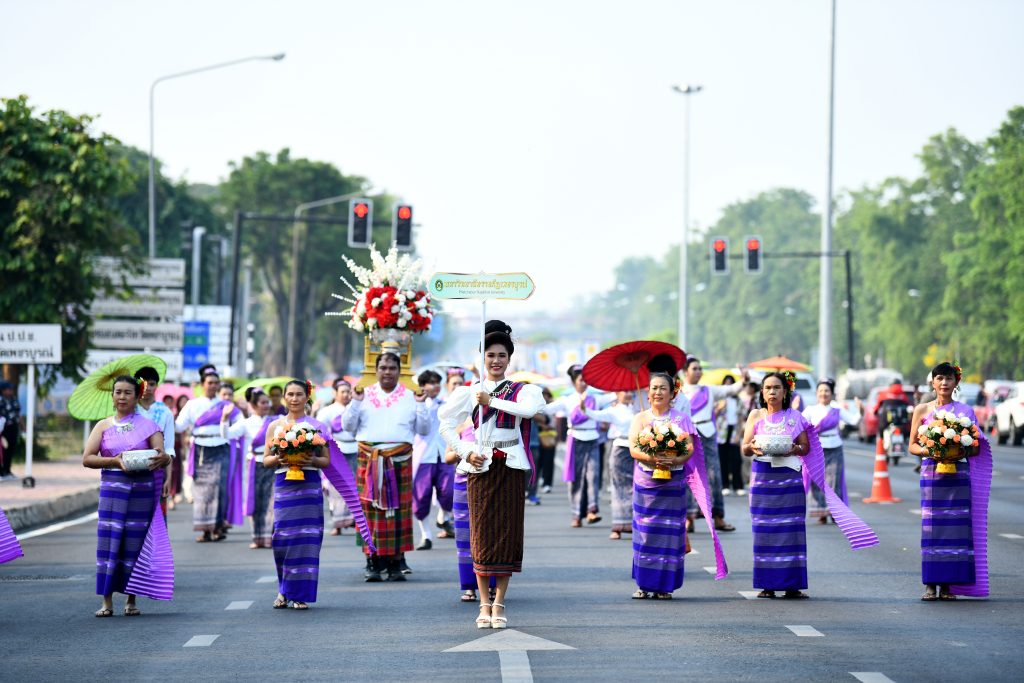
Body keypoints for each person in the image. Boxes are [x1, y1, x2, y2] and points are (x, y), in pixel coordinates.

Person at [438, 320, 544, 629]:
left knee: (506, 536)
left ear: (509, 359)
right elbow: (445, 423)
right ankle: (483, 603)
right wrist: (464, 449)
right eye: (490, 355)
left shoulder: (524, 390)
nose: (496, 361)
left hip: (510, 466)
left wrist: (493, 400)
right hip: (480, 466)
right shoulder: (469, 392)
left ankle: (500, 603)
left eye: (501, 355)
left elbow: (529, 411)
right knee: (481, 536)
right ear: (482, 359)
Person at [741, 372, 877, 599]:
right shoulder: (755, 415)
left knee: (791, 530)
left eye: (777, 388)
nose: (772, 392)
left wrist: (794, 449)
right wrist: (752, 447)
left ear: (785, 392)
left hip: (790, 479)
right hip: (763, 479)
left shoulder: (795, 417)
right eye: (767, 388)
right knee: (764, 530)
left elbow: (805, 447)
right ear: (762, 393)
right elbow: (745, 447)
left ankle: (792, 585)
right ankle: (767, 585)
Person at [628, 372, 728, 599]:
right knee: (645, 533)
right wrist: (652, 459)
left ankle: (665, 586)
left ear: (673, 392)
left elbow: (689, 449)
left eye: (663, 388)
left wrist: (674, 460)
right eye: (653, 388)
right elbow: (633, 449)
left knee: (671, 533)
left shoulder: (682, 419)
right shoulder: (640, 418)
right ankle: (644, 584)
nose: (657, 392)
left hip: (673, 483)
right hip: (646, 484)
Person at [82, 375, 172, 616]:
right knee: (109, 542)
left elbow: (162, 455)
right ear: (112, 396)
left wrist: (165, 459)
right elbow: (87, 458)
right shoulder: (102, 425)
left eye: (127, 392)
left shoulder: (149, 425)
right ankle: (106, 601)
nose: (122, 396)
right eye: (118, 392)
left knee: (135, 542)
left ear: (137, 396)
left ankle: (131, 600)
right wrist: (114, 461)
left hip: (141, 492)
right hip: (113, 491)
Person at [907, 362, 991, 601]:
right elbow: (912, 445)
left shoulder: (965, 411)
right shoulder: (921, 410)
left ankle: (948, 586)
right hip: (932, 475)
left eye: (949, 379)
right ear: (932, 382)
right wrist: (930, 451)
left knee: (955, 529)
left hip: (958, 476)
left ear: (957, 382)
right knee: (932, 529)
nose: (944, 383)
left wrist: (957, 451)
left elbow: (975, 449)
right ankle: (931, 585)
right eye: (940, 378)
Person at [343, 352, 430, 582]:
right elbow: (348, 426)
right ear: (376, 370)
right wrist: (355, 402)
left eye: (392, 368)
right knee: (368, 512)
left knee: (397, 512)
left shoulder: (412, 396)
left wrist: (421, 406)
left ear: (399, 371)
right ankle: (372, 560)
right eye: (383, 367)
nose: (387, 372)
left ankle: (394, 561)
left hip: (399, 458)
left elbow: (424, 430)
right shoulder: (363, 394)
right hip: (369, 458)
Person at [262, 380, 331, 610]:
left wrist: (311, 459)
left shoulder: (317, 425)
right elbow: (266, 460)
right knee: (282, 538)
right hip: (285, 485)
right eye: (290, 394)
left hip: (309, 485)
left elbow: (326, 460)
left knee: (308, 538)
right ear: (284, 397)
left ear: (307, 396)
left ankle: (299, 594)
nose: (294, 398)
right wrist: (279, 459)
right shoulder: (275, 426)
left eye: (299, 394)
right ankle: (284, 589)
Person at [174, 364, 242, 542]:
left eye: (216, 382)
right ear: (202, 384)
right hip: (200, 450)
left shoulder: (227, 406)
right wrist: (165, 419)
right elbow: (179, 426)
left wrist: (228, 423)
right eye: (210, 382)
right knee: (202, 490)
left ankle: (218, 527)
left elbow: (240, 425)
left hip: (221, 447)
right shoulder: (192, 404)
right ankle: (204, 529)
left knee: (220, 488)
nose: (213, 385)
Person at [681, 358, 741, 532]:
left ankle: (718, 517)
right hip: (687, 435)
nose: (699, 371)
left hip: (707, 435)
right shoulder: (679, 393)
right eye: (695, 368)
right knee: (689, 476)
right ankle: (689, 518)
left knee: (714, 475)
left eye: (700, 368)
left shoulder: (708, 390)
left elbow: (730, 389)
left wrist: (743, 379)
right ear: (686, 371)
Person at [544, 364, 607, 527]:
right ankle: (576, 514)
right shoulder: (567, 400)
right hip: (576, 439)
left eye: (586, 380)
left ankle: (592, 510)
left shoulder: (595, 399)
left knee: (593, 476)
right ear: (574, 382)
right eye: (581, 380)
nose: (584, 383)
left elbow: (614, 397)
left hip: (593, 438)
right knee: (576, 478)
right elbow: (547, 409)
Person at [223, 387, 276, 548]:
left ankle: (268, 537)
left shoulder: (276, 422)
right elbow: (227, 434)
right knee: (254, 500)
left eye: (268, 402)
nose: (266, 405)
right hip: (253, 465)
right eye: (263, 402)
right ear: (254, 404)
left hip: (272, 463)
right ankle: (256, 537)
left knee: (271, 501)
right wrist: (224, 418)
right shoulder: (245, 423)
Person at [802, 379, 861, 524]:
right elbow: (799, 425)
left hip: (835, 447)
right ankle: (821, 512)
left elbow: (853, 421)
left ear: (831, 394)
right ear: (817, 393)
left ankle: (835, 513)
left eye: (826, 391)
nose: (824, 393)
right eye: (821, 391)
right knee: (818, 482)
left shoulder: (837, 410)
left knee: (834, 481)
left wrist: (860, 411)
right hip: (816, 449)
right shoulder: (810, 410)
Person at [583, 391, 637, 539]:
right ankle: (618, 526)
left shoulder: (638, 408)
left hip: (638, 449)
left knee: (637, 488)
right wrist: (583, 406)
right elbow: (594, 415)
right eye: (624, 391)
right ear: (617, 394)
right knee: (619, 487)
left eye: (630, 391)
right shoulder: (614, 410)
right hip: (620, 448)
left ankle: (635, 524)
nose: (628, 394)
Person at [412, 370, 456, 550]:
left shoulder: (445, 404)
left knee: (448, 491)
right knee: (421, 497)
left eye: (438, 382)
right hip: (423, 456)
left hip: (443, 454)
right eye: (431, 383)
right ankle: (426, 535)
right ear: (422, 386)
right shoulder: (414, 405)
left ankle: (442, 516)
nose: (435, 386)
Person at [316, 379, 359, 535]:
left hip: (355, 448)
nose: (347, 395)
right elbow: (319, 431)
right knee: (335, 488)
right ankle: (338, 523)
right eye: (343, 392)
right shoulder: (327, 411)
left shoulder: (356, 409)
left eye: (349, 391)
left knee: (355, 486)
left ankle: (356, 520)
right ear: (335, 393)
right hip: (335, 450)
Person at [133, 367, 176, 508]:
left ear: (156, 386)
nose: (147, 387)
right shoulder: (129, 410)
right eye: (143, 383)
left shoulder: (166, 413)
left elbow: (169, 448)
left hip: (158, 469)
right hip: (132, 469)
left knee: (157, 517)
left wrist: (169, 478)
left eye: (151, 384)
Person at [716, 375, 744, 497]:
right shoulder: (718, 400)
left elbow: (742, 418)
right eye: (726, 383)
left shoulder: (738, 401)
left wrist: (739, 434)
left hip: (734, 431)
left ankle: (738, 486)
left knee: (736, 460)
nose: (728, 385)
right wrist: (719, 408)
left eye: (731, 383)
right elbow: (713, 416)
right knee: (723, 460)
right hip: (721, 432)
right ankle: (725, 485)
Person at [534, 388, 558, 494]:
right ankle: (538, 480)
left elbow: (555, 423)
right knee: (538, 462)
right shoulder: (537, 408)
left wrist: (548, 426)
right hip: (538, 438)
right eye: (543, 395)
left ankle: (547, 483)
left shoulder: (553, 408)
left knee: (549, 462)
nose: (545, 397)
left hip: (550, 438)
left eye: (547, 395)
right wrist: (541, 425)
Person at [0, 380, 22, 480]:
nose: (11, 391)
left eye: (11, 389)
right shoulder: (1, 400)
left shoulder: (14, 399)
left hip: (13, 427)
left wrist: (23, 427)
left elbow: (18, 414)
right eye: (9, 389)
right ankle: (1, 472)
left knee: (10, 449)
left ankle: (7, 471)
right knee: (2, 450)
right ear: (3, 390)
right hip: (3, 428)